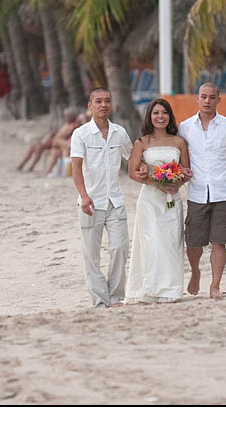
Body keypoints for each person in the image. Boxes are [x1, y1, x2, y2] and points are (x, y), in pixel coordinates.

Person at [70, 87, 147, 307]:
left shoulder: (119, 132)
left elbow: (131, 157)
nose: (103, 105)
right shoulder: (80, 134)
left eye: (107, 101)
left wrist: (144, 168)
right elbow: (76, 168)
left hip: (115, 200)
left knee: (120, 247)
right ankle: (99, 300)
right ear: (90, 105)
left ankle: (116, 296)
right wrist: (83, 196)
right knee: (91, 255)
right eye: (98, 101)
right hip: (90, 202)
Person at [178, 82, 226, 299]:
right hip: (197, 192)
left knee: (220, 240)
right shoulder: (185, 127)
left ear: (219, 99)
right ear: (197, 99)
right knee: (194, 241)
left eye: (211, 97)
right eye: (203, 97)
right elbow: (179, 157)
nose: (207, 101)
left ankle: (215, 285)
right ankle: (196, 272)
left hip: (222, 192)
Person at [126, 98, 190, 304]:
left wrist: (176, 184)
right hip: (150, 200)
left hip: (172, 199)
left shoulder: (179, 142)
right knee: (152, 243)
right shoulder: (142, 143)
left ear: (170, 116)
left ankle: (171, 290)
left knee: (171, 243)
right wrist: (157, 183)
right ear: (149, 117)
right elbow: (132, 173)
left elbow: (186, 171)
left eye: (164, 113)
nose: (160, 117)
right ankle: (149, 290)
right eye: (156, 113)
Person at [43, 108, 82, 177]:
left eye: (68, 116)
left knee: (60, 148)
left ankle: (63, 170)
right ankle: (48, 171)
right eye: (65, 116)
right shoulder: (65, 124)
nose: (66, 117)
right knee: (56, 150)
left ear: (72, 116)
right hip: (58, 145)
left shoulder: (75, 124)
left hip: (65, 145)